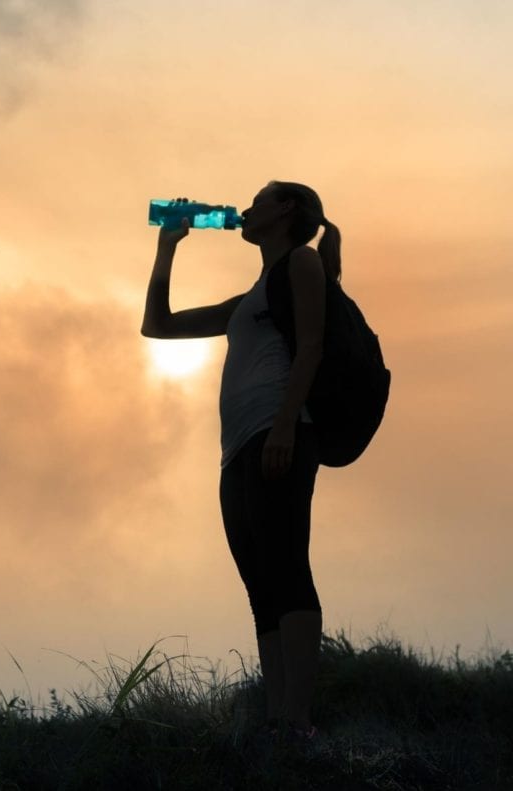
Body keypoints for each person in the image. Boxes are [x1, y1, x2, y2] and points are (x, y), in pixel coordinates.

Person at [141, 181, 342, 742]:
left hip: (279, 435)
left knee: (286, 568)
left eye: (260, 200)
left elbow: (312, 348)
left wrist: (283, 425)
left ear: (287, 211)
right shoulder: (249, 298)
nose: (245, 209)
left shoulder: (301, 264)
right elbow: (158, 325)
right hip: (238, 450)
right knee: (261, 583)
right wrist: (168, 246)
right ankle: (278, 721)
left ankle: (297, 720)